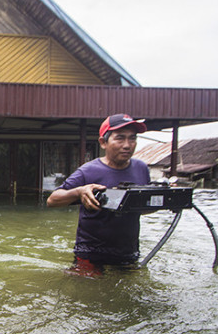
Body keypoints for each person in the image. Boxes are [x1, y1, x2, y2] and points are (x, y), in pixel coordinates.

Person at [46, 114, 150, 275]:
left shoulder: (141, 168)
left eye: (132, 139)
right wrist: (79, 191)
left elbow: (144, 208)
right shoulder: (88, 171)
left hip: (127, 251)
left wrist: (165, 199)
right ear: (103, 142)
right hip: (91, 252)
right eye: (120, 138)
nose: (127, 145)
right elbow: (52, 200)